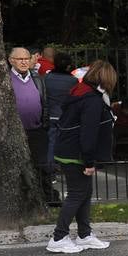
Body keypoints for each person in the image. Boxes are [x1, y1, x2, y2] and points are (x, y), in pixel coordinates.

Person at [46, 60, 117, 253]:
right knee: (77, 194)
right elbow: (89, 132)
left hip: (68, 149)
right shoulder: (92, 99)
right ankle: (58, 237)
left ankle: (84, 234)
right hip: (76, 154)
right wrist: (89, 161)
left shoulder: (79, 92)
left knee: (84, 193)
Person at [7, 47, 52, 202]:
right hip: (16, 131)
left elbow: (44, 101)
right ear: (11, 60)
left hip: (37, 129)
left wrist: (44, 122)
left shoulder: (36, 78)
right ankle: (21, 199)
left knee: (42, 165)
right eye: (20, 59)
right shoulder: (5, 79)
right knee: (18, 167)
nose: (24, 62)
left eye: (26, 58)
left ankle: (48, 197)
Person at [43, 52, 78, 189]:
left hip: (51, 114)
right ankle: (68, 168)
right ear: (69, 66)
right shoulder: (73, 81)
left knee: (51, 142)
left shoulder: (47, 78)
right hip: (66, 116)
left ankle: (50, 170)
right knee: (68, 143)